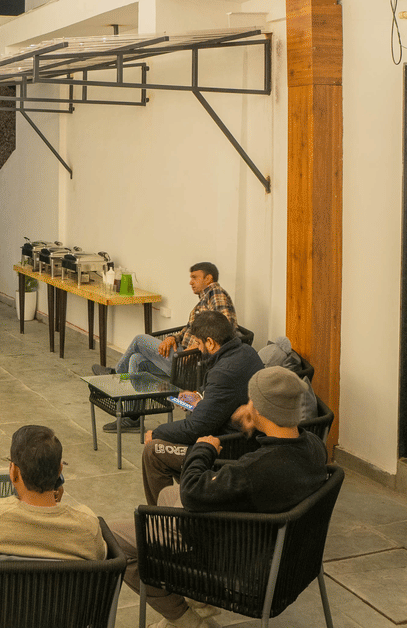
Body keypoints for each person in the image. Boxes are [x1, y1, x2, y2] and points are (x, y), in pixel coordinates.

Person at [112, 367, 329, 628]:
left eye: (251, 401)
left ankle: (187, 621)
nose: (247, 406)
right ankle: (197, 600)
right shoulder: (314, 447)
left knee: (113, 538)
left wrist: (202, 449)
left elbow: (192, 493)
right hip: (281, 557)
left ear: (261, 408)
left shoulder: (254, 470)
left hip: (234, 561)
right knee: (169, 493)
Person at [139, 312, 263, 504]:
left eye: (198, 343)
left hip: (226, 448)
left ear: (211, 343)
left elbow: (195, 428)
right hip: (243, 440)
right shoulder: (247, 352)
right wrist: (199, 396)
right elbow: (226, 395)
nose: (196, 347)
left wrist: (156, 432)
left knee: (153, 451)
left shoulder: (223, 372)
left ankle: (162, 518)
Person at [0, 425, 107, 562]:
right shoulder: (87, 526)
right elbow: (102, 559)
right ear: (59, 470)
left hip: (0, 599)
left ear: (14, 472)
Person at [94, 262, 236, 400]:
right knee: (135, 359)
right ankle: (132, 417)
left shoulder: (216, 294)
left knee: (140, 339)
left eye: (195, 277)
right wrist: (173, 338)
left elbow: (225, 328)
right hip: (181, 355)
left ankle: (114, 375)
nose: (190, 282)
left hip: (189, 362)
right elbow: (190, 328)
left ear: (208, 278)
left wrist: (197, 347)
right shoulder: (205, 299)